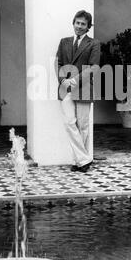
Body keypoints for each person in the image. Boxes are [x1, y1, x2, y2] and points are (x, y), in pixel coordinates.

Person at [56, 10, 101, 173]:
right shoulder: (64, 42)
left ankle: (78, 161)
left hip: (83, 88)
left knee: (82, 125)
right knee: (69, 123)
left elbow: (94, 66)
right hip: (65, 88)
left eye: (83, 24)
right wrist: (63, 80)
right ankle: (84, 159)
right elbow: (59, 63)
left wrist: (74, 80)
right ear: (73, 23)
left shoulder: (93, 43)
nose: (79, 26)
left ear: (88, 27)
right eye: (77, 23)